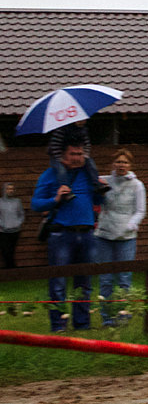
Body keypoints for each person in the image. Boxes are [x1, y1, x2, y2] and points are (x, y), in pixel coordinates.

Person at [31, 133, 104, 332]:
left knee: (84, 282)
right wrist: (55, 199)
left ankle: (82, 324)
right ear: (62, 155)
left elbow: (98, 203)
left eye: (80, 153)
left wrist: (101, 192)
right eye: (73, 153)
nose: (77, 157)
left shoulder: (88, 174)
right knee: (58, 282)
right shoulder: (50, 174)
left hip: (87, 233)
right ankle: (58, 326)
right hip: (61, 235)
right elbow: (35, 204)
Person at [92, 149, 146, 326]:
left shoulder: (137, 185)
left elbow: (140, 210)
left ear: (130, 165)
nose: (121, 165)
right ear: (113, 164)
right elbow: (93, 193)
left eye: (125, 162)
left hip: (126, 237)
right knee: (106, 278)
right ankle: (107, 316)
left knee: (124, 276)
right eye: (118, 162)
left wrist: (131, 224)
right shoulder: (104, 180)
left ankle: (123, 313)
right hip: (105, 234)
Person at [47, 121, 108, 194]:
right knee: (61, 170)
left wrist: (85, 156)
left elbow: (87, 144)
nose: (82, 122)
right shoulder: (61, 131)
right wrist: (61, 159)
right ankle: (65, 188)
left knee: (91, 164)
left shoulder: (83, 131)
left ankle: (97, 183)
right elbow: (55, 147)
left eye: (84, 120)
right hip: (56, 155)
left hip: (74, 152)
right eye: (80, 120)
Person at [0, 182, 25, 268]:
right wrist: (2, 224)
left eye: (11, 189)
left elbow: (21, 214)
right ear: (4, 190)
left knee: (12, 250)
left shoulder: (17, 202)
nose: (10, 191)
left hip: (15, 230)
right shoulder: (0, 202)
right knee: (5, 251)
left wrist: (18, 223)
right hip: (3, 231)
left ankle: (11, 269)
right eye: (8, 189)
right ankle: (10, 268)